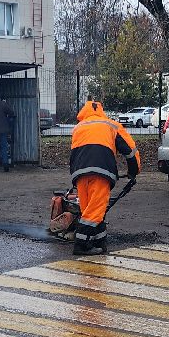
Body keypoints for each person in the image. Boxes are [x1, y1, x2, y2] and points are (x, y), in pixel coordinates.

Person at [68, 99, 139, 255]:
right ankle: (81, 245)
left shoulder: (78, 127)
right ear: (101, 111)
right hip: (101, 172)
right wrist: (133, 172)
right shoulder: (111, 125)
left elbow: (74, 152)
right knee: (95, 211)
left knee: (89, 209)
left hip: (79, 173)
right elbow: (130, 152)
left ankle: (99, 241)